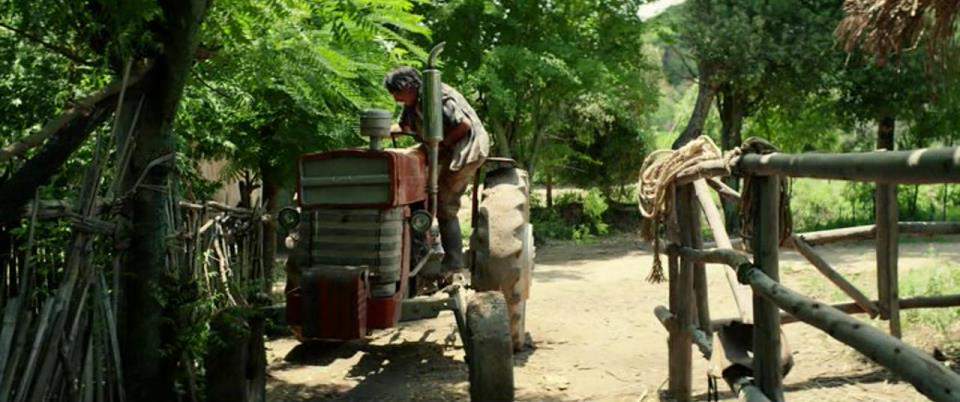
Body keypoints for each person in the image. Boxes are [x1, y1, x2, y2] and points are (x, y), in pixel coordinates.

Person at [383, 67, 490, 275]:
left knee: (443, 202)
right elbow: (404, 128)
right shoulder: (412, 103)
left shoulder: (436, 96)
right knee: (415, 174)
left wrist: (442, 146)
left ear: (409, 87)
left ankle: (453, 264)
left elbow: (464, 125)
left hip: (464, 147)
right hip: (441, 145)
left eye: (397, 93)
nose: (395, 99)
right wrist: (380, 131)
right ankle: (421, 242)